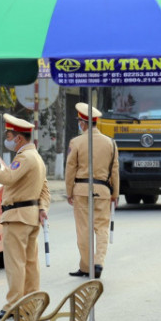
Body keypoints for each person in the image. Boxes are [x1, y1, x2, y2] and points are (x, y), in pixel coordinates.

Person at [0, 114, 50, 319]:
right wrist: (43, 208)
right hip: (31, 216)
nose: (7, 139)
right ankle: (31, 303)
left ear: (18, 138)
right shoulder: (36, 158)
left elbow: (8, 178)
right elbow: (45, 189)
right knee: (29, 262)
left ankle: (13, 305)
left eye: (9, 135)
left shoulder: (25, 157)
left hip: (17, 216)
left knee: (16, 263)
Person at [65, 102, 119, 279]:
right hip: (103, 191)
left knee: (83, 229)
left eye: (80, 122)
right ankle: (98, 262)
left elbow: (70, 169)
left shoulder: (77, 142)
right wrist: (115, 194)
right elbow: (114, 170)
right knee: (101, 229)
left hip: (81, 190)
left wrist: (69, 191)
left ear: (83, 123)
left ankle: (87, 267)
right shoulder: (111, 143)